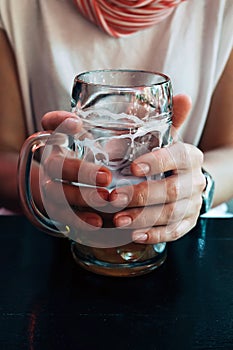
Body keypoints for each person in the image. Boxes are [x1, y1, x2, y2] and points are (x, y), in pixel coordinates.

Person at [0, 0, 232, 245]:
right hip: (47, 239)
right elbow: (5, 150)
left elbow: (228, 149)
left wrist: (198, 188)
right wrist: (48, 192)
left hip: (187, 235)